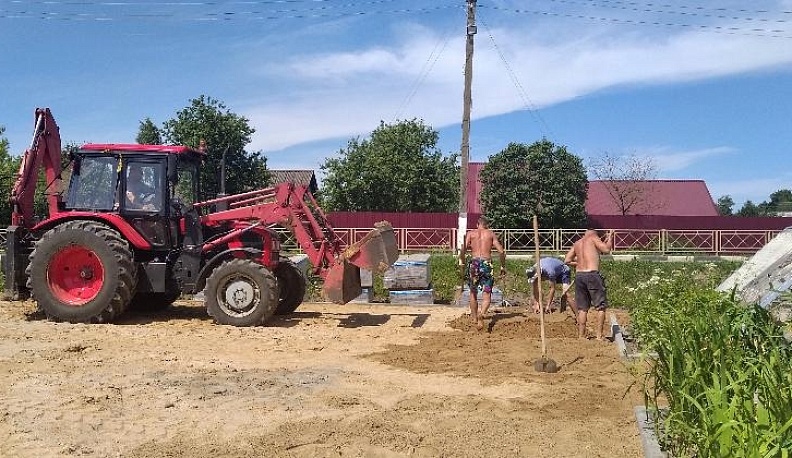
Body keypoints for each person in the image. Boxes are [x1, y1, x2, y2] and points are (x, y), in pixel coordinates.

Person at [564, 228, 614, 340]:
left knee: (582, 308)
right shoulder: (593, 238)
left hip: (579, 275)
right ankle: (599, 336)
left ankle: (581, 336)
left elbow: (567, 260)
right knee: (601, 306)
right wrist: (610, 237)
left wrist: (579, 263)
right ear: (594, 233)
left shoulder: (577, 243)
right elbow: (606, 250)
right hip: (592, 274)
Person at [460, 216, 506, 330]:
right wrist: (502, 266)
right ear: (487, 225)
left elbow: (463, 249)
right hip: (487, 264)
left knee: (473, 292)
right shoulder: (490, 234)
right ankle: (483, 313)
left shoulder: (471, 233)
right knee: (487, 293)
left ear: (477, 224)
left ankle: (475, 318)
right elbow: (501, 251)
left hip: (474, 263)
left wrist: (462, 260)